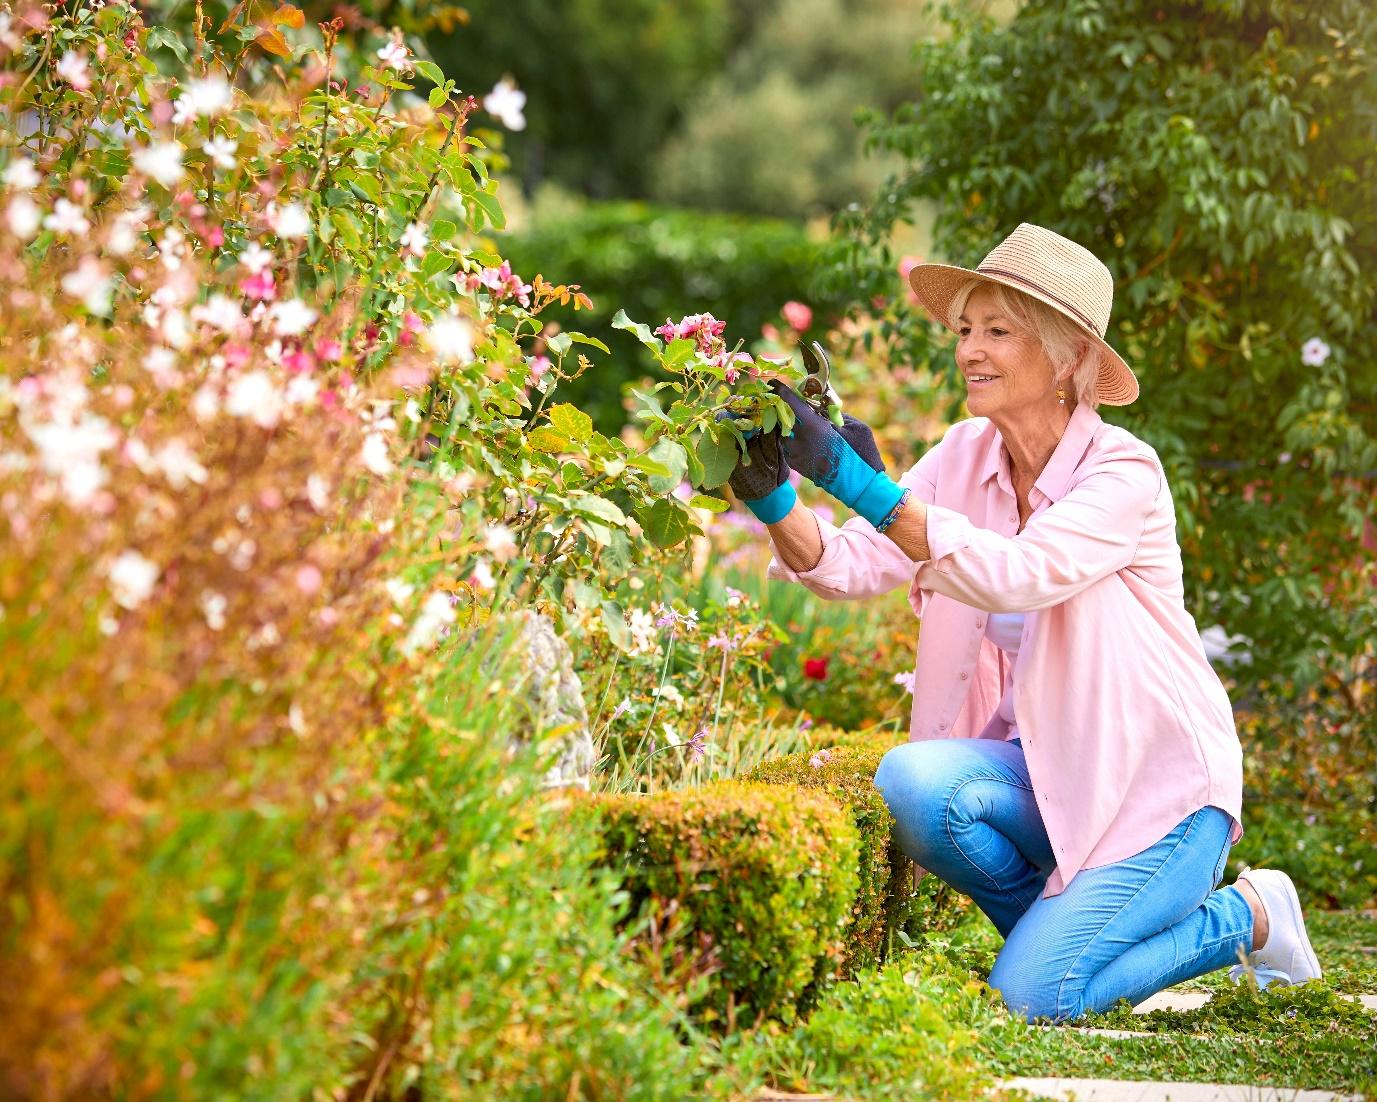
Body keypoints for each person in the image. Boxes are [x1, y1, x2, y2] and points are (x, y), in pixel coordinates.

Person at [726, 222, 1322, 1022]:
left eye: (998, 332)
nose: (970, 349)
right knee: (911, 782)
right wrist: (772, 494)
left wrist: (860, 482)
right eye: (965, 329)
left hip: (1160, 798)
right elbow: (850, 566)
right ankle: (1079, 946)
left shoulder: (1122, 473)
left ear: (1069, 356)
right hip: (1050, 780)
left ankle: (1245, 914)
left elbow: (1019, 575)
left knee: (1029, 997)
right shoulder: (963, 454)